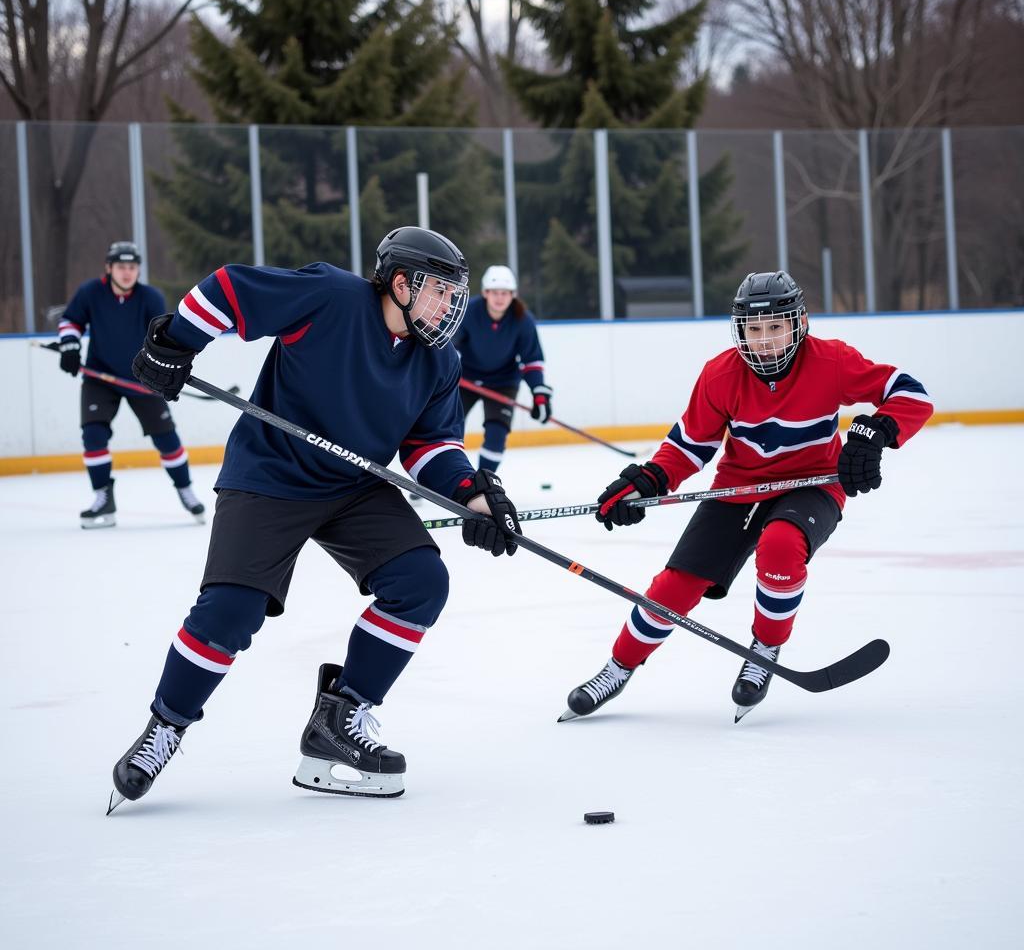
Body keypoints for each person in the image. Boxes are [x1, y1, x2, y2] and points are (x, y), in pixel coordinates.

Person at [107, 226, 523, 813]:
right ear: (401, 283)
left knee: (421, 582)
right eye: (440, 291)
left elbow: (430, 446)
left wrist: (474, 496)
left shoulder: (439, 361)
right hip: (270, 476)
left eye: (455, 295)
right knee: (231, 610)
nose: (451, 305)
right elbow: (229, 289)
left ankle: (341, 715)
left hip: (352, 485)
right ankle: (166, 726)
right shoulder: (332, 297)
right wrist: (177, 342)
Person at [561, 271, 934, 723]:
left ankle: (765, 649)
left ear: (799, 323)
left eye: (775, 327)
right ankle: (617, 667)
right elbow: (689, 446)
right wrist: (648, 479)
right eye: (754, 330)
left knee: (780, 545)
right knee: (674, 587)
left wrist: (875, 434)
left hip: (813, 485)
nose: (765, 341)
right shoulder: (721, 374)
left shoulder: (832, 361)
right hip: (738, 488)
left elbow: (910, 392)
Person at [56, 241, 206, 529]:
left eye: (132, 267)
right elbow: (71, 321)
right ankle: (103, 498)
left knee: (166, 438)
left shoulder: (150, 297)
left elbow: (160, 339)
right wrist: (70, 346)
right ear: (109, 268)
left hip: (142, 378)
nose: (127, 273)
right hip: (99, 377)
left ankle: (185, 489)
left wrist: (165, 370)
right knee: (93, 434)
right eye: (121, 267)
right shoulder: (90, 293)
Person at [452, 265, 553, 474]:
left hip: (503, 382)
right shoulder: (468, 311)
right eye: (494, 292)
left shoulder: (523, 319)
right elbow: (450, 347)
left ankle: (483, 482)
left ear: (513, 295)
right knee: (449, 426)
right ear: (485, 293)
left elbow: (531, 360)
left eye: (505, 293)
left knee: (497, 432)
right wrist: (447, 372)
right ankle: (442, 477)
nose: (500, 298)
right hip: (466, 379)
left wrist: (539, 393)